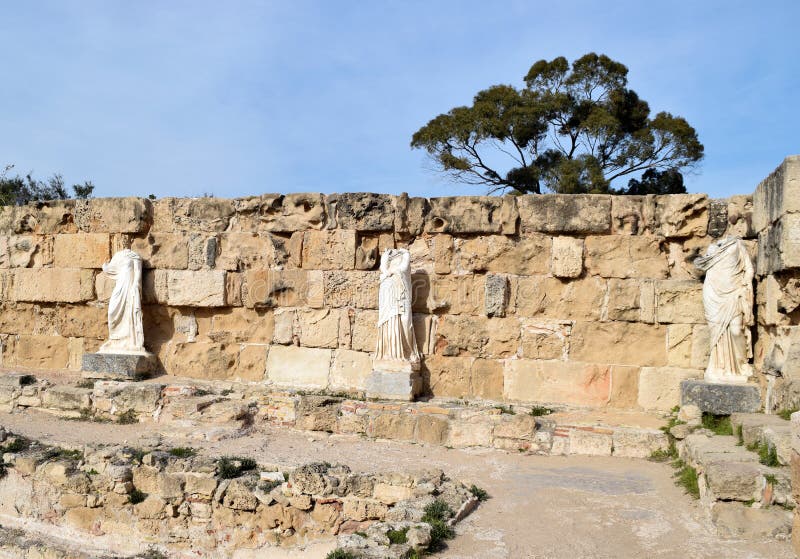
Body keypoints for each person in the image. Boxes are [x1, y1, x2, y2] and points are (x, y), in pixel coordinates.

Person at [694, 237, 754, 383]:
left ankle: (741, 365)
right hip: (713, 294)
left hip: (734, 293)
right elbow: (699, 265)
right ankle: (718, 367)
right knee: (716, 333)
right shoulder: (712, 249)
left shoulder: (736, 244)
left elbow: (749, 268)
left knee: (736, 331)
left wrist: (746, 282)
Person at [375, 248, 420, 367]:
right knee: (388, 322)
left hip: (402, 293)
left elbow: (404, 268)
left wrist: (392, 270)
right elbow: (383, 267)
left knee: (405, 322)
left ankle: (409, 352)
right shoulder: (386, 256)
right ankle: (389, 355)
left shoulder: (405, 254)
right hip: (388, 292)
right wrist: (386, 257)